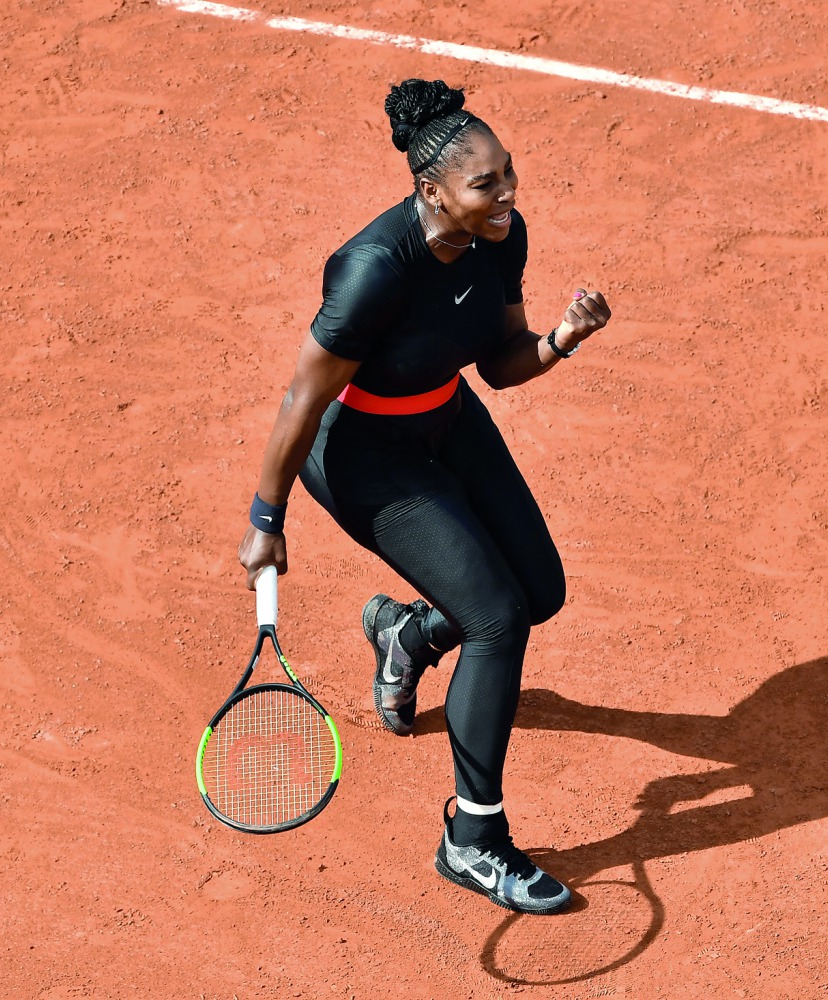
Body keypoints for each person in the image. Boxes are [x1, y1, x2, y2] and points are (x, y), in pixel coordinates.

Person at [238, 78, 611, 915]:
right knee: (495, 618)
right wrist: (267, 520)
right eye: (487, 183)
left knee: (537, 591)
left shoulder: (500, 237)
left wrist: (560, 340)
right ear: (430, 190)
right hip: (364, 454)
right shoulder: (372, 270)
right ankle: (472, 840)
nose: (508, 191)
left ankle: (405, 634)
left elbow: (502, 360)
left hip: (446, 416)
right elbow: (303, 399)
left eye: (508, 172)